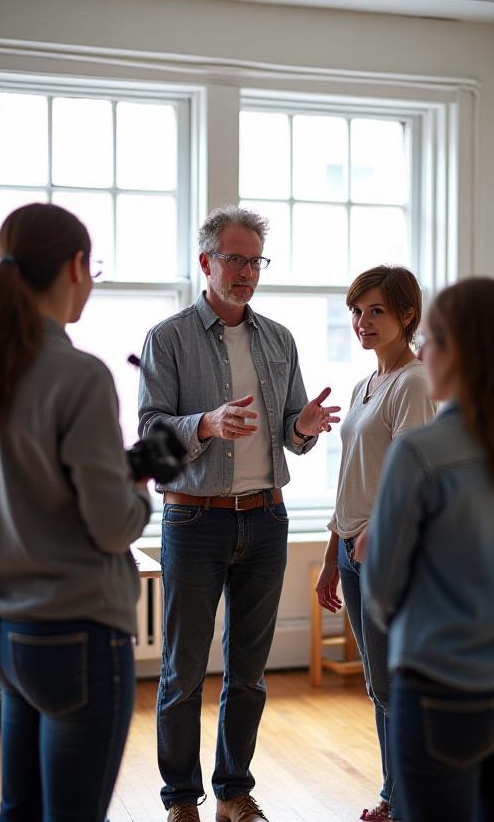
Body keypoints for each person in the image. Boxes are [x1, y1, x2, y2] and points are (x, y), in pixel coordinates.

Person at [0, 203, 151, 822]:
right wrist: (139, 487)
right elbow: (113, 525)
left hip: (3, 631)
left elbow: (13, 502)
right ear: (75, 266)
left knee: (19, 812)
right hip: (77, 632)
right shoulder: (78, 375)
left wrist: (121, 471)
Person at [138, 205, 340, 822]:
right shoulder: (167, 338)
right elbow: (150, 432)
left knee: (249, 672)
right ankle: (180, 800)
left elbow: (293, 433)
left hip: (266, 519)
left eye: (256, 261)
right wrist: (206, 423)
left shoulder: (279, 338)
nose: (247, 271)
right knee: (182, 671)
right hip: (193, 521)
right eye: (235, 259)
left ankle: (232, 792)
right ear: (206, 262)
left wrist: (302, 429)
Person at [363, 277, 494, 822]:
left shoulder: (419, 452)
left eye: (430, 337)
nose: (422, 351)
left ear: (459, 351)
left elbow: (381, 592)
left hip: (443, 691)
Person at [315, 265, 435, 822]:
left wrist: (370, 534)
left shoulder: (413, 382)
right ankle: (398, 793)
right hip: (353, 550)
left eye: (376, 311)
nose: (362, 322)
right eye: (357, 311)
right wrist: (330, 556)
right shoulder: (365, 384)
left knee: (395, 684)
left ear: (406, 315)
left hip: (387, 553)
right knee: (380, 683)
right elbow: (351, 475)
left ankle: (403, 797)